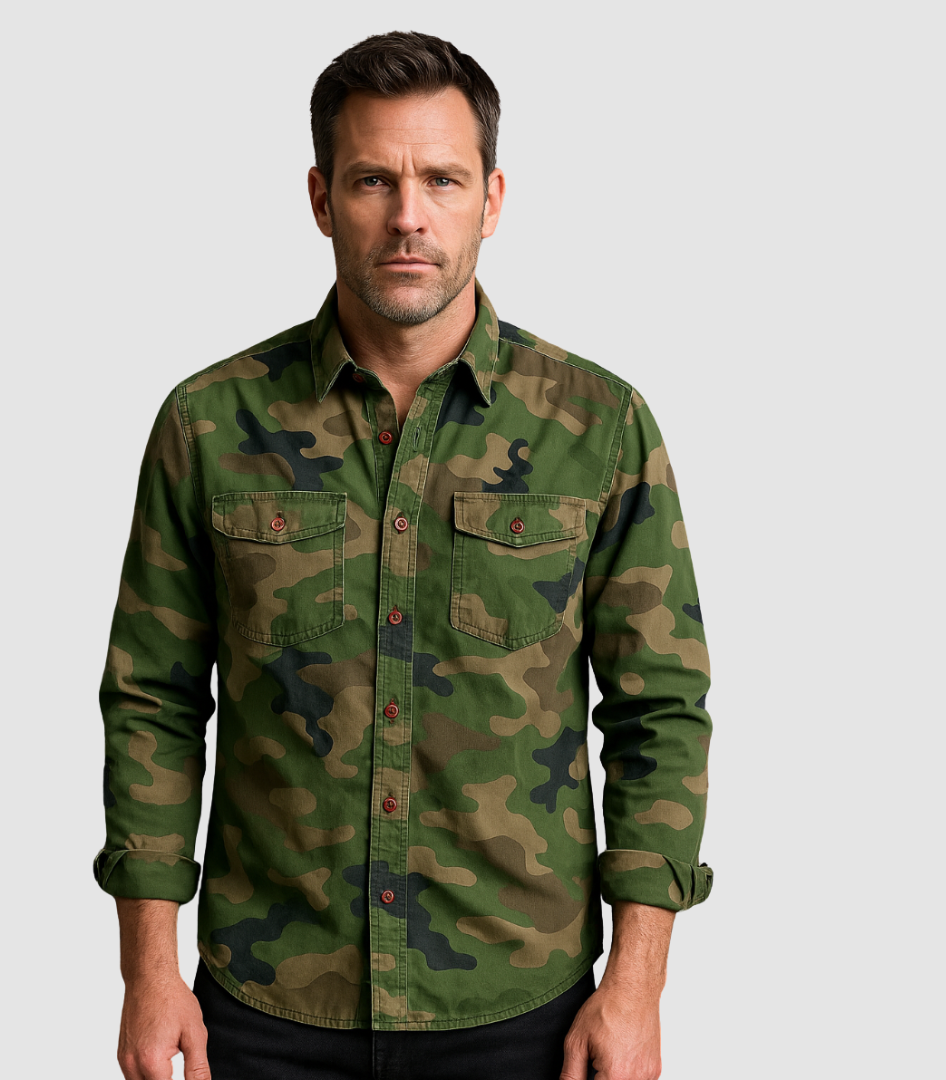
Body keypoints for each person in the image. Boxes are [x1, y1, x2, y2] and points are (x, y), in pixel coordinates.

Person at [95, 30, 713, 1080]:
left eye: (442, 179)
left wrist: (637, 986)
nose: (409, 215)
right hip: (264, 1007)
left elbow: (660, 708)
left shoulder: (600, 426)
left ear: (493, 199)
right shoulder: (209, 424)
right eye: (373, 179)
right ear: (321, 198)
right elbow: (151, 700)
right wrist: (147, 974)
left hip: (522, 1010)